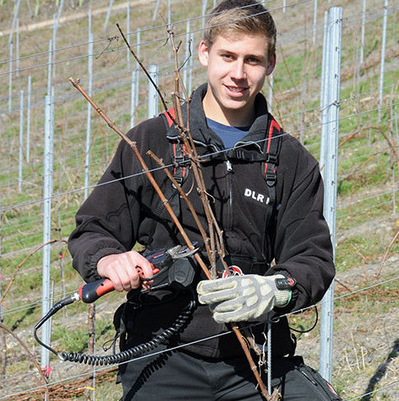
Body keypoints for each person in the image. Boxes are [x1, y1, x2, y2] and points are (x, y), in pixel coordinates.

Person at [68, 0, 340, 399]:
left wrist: (277, 289)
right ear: (203, 52)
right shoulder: (152, 142)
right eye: (227, 56)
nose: (238, 73)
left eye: (253, 60)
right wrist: (111, 259)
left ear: (271, 64)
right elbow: (93, 229)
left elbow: (313, 257)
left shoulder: (289, 160)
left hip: (257, 354)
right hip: (161, 351)